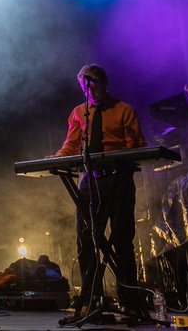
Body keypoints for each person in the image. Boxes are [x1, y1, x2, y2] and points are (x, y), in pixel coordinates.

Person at [52, 64, 147, 320]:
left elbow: (136, 146)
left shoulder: (124, 110)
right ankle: (92, 301)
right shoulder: (78, 113)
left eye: (93, 83)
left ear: (104, 83)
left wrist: (121, 157)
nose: (89, 89)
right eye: (85, 84)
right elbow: (71, 145)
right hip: (90, 181)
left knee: (121, 242)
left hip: (118, 181)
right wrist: (56, 160)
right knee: (86, 241)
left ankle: (129, 303)